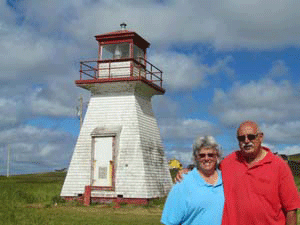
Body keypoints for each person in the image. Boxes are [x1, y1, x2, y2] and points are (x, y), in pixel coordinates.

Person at [176, 120, 300, 225]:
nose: (246, 141)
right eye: (241, 138)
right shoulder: (229, 162)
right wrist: (189, 170)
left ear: (260, 137)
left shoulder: (279, 166)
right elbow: (208, 170)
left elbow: (291, 210)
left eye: (251, 136)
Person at [161, 136, 224, 225]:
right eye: (202, 155)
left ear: (217, 156)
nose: (206, 158)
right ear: (196, 157)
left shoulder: (226, 180)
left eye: (210, 155)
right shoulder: (182, 182)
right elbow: (170, 222)